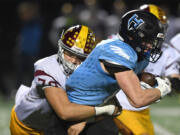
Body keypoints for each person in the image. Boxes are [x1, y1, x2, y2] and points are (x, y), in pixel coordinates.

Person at [65, 9, 171, 135]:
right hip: (72, 107)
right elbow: (138, 100)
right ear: (132, 37)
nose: (150, 46)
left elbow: (124, 81)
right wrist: (163, 88)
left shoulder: (139, 55)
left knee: (121, 130)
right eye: (147, 40)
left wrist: (145, 82)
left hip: (96, 107)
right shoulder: (117, 52)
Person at [9, 25, 120, 135]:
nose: (73, 61)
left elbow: (114, 105)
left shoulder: (92, 69)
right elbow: (65, 112)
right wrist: (103, 109)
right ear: (61, 49)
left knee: (106, 126)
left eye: (80, 57)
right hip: (26, 126)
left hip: (54, 122)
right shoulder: (47, 67)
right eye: (70, 54)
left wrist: (85, 120)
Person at [114, 4, 180, 135]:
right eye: (154, 28)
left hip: (143, 109)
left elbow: (175, 80)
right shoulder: (119, 46)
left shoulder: (165, 52)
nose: (159, 34)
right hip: (119, 106)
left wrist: (166, 82)